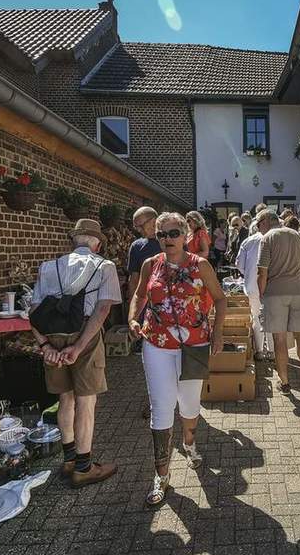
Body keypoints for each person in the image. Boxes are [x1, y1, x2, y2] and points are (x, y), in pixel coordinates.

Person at [128, 212, 227, 506]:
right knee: (161, 406)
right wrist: (134, 318)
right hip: (156, 343)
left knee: (189, 404)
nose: (168, 239)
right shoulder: (150, 265)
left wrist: (218, 333)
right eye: (162, 234)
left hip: (194, 345)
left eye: (173, 233)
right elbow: (139, 295)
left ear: (185, 235)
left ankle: (189, 442)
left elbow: (220, 299)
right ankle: (161, 474)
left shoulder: (201, 265)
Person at [30, 218, 121, 487]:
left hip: (52, 335)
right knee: (86, 401)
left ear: (74, 240)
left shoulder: (48, 267)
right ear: (97, 243)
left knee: (65, 398)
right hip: (86, 334)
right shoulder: (104, 266)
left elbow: (33, 313)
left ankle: (69, 458)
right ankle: (84, 467)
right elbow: (103, 310)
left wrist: (45, 346)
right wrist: (79, 346)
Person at [256, 209, 300, 392]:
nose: (259, 227)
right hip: (298, 291)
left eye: (259, 223)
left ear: (266, 221)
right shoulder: (296, 235)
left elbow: (262, 271)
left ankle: (284, 383)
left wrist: (262, 293)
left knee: (279, 339)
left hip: (275, 293)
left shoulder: (267, 238)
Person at [127, 206, 163, 420]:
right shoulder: (137, 247)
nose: (140, 230)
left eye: (143, 224)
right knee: (150, 359)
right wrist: (132, 312)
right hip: (147, 311)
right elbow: (133, 281)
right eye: (137, 226)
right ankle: (153, 401)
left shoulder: (171, 239)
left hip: (171, 310)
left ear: (155, 219)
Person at [235, 217, 273, 361]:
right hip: (271, 285)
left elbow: (239, 264)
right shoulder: (273, 238)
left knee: (256, 317)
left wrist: (248, 273)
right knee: (271, 318)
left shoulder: (248, 241)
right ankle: (272, 351)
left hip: (253, 285)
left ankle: (260, 351)